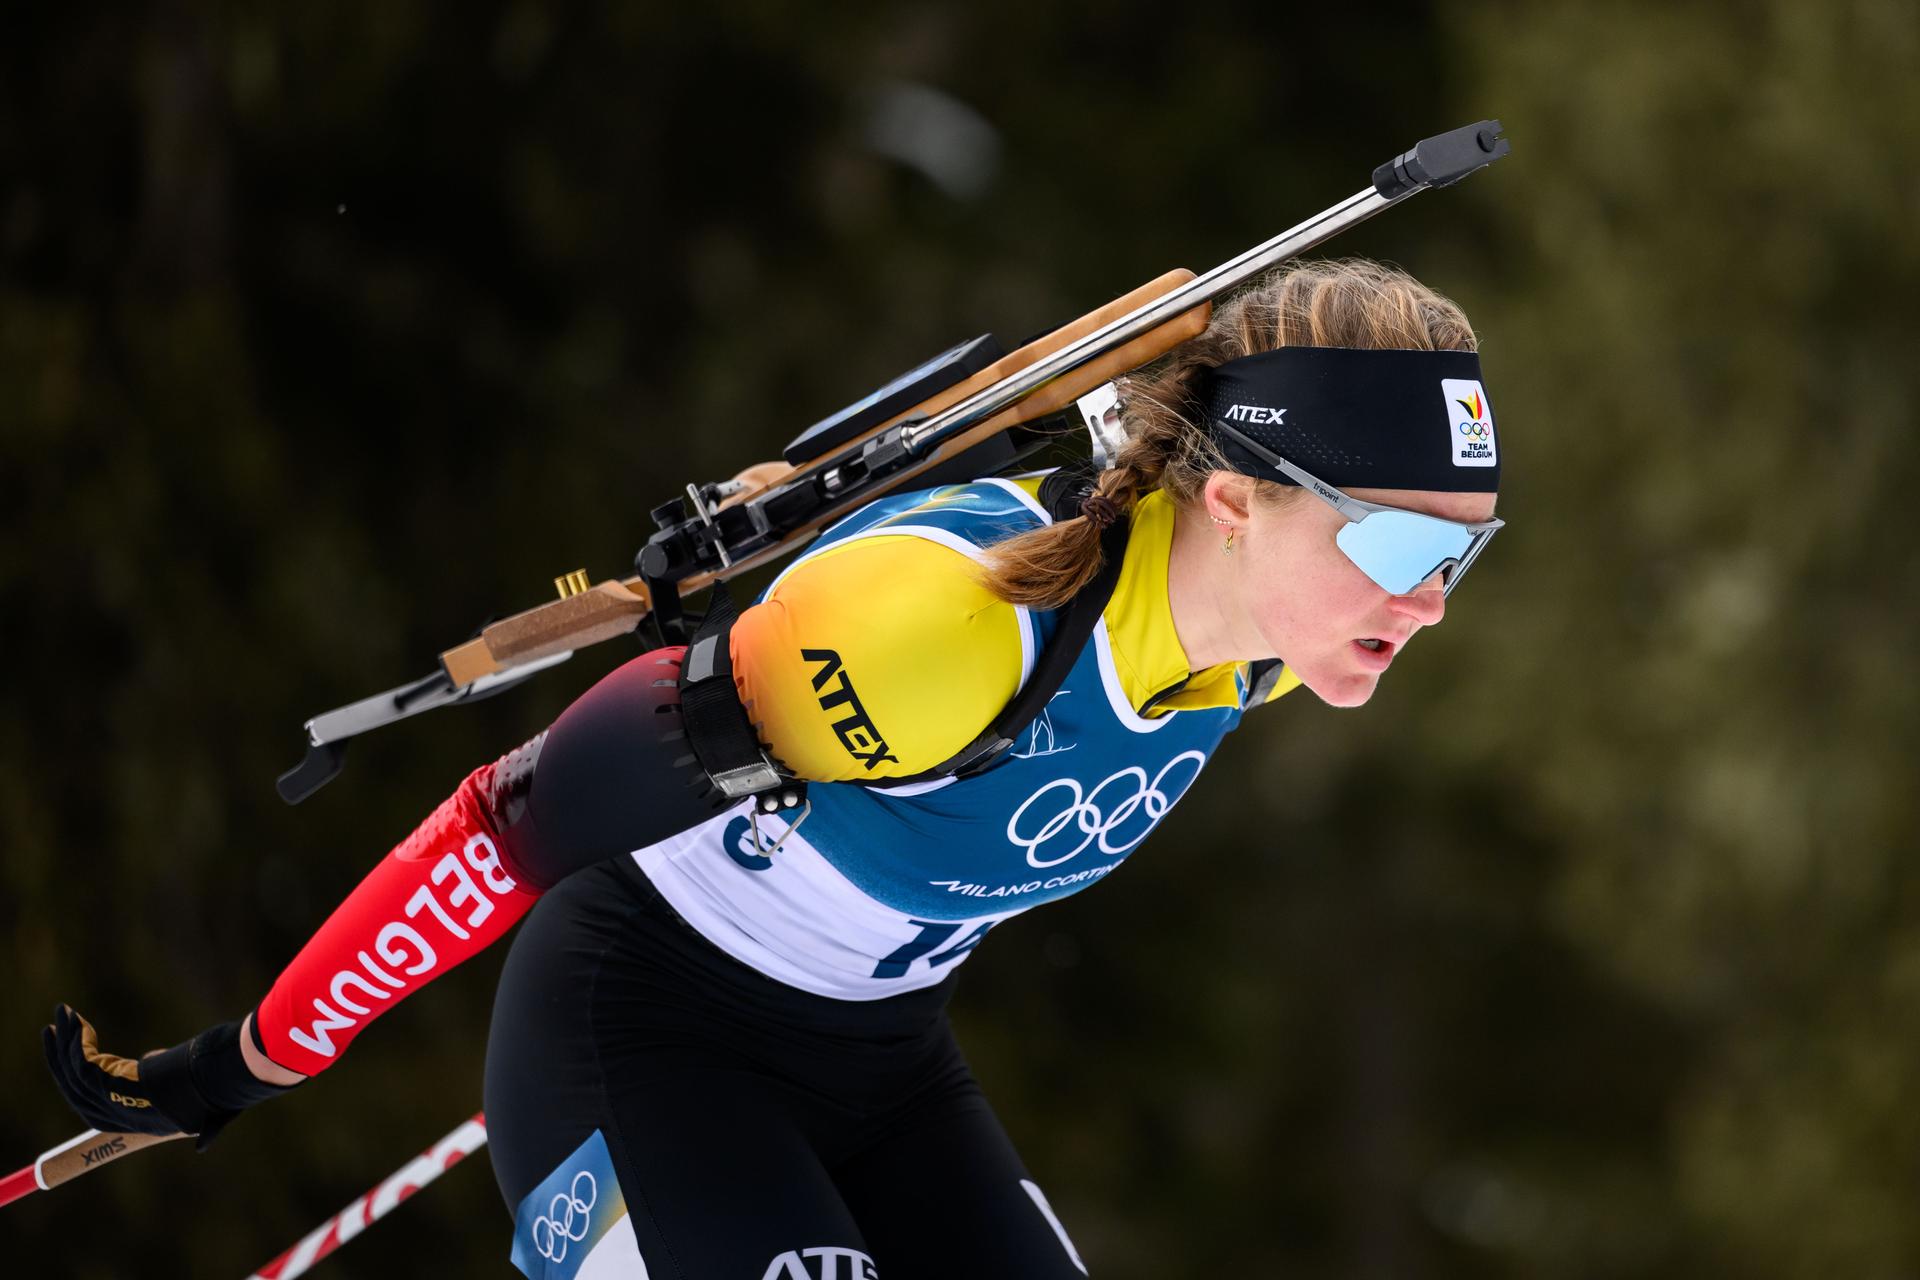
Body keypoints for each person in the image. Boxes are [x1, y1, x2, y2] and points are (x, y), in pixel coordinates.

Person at [44, 257, 1503, 1278]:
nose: (1432, 601)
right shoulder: (937, 634)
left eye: (1465, 550)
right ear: (1234, 501)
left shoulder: (1260, 642)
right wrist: (253, 1058)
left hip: (885, 1069)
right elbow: (512, 821)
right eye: (1399, 542)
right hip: (644, 1040)